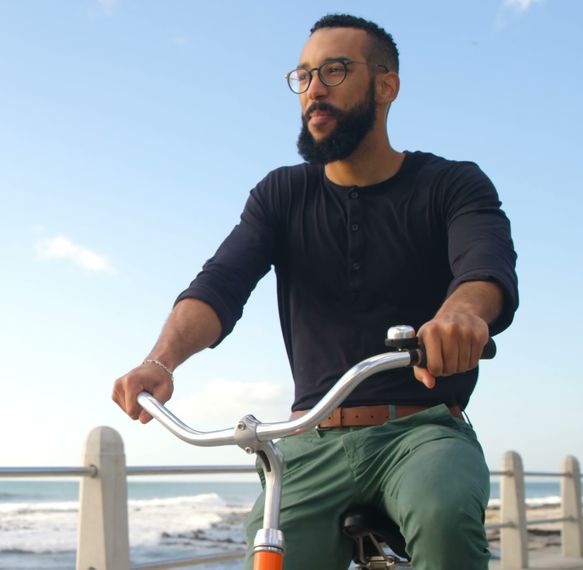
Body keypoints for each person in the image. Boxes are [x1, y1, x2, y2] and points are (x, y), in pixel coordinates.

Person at [111, 13, 518, 570]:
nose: (314, 90)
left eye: (334, 71)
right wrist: (162, 359)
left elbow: (484, 267)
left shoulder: (451, 184)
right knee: (270, 541)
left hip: (421, 433)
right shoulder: (282, 194)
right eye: (303, 76)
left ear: (386, 85)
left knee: (443, 514)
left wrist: (461, 316)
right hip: (309, 441)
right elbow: (220, 283)